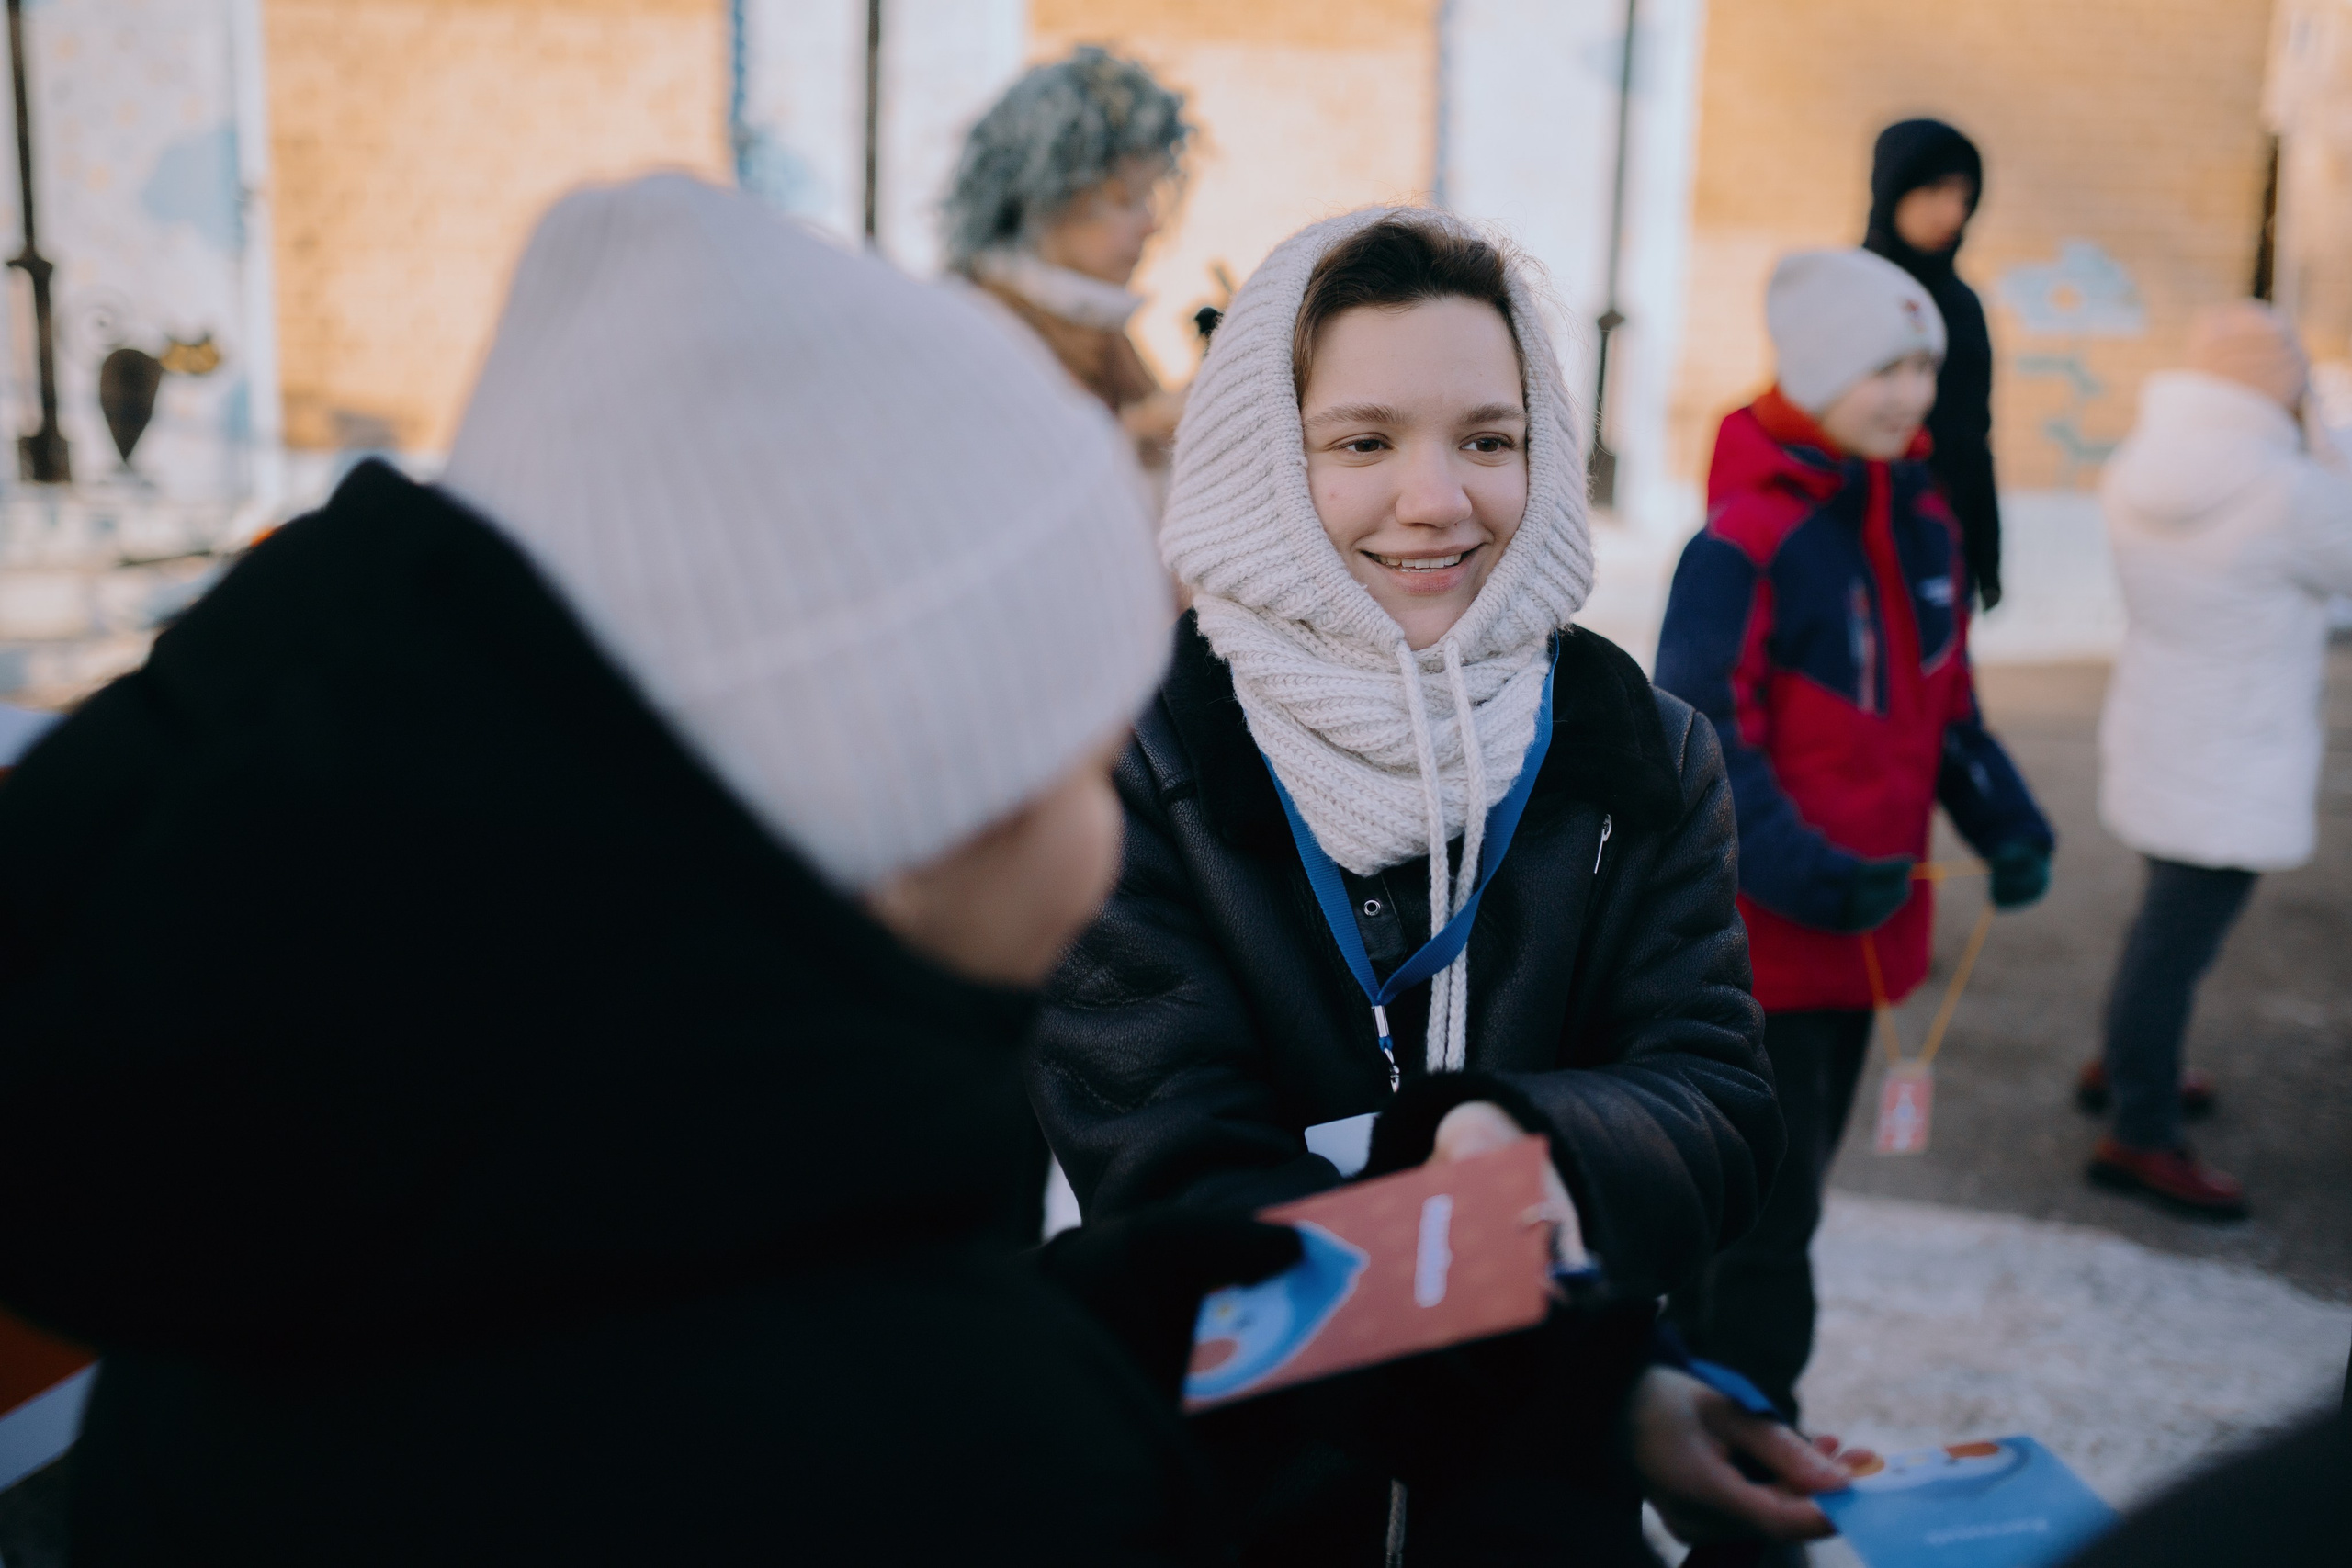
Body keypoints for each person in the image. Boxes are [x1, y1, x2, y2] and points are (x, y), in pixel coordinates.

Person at [0, 174, 1296, 1566]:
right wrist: (1050, 1409)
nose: (1114, 827)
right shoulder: (978, 1473)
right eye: (1086, 760)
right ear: (922, 826)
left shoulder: (295, 1202)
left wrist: (1062, 1333)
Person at [1028, 209, 1855, 1566]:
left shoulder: (1639, 744)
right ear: (1263, 463)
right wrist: (1576, 1368)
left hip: (1541, 1523)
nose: (1440, 499)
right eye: (1363, 441)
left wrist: (1529, 1142)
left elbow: (1714, 1095)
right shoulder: (1138, 756)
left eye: (1489, 437)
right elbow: (1172, 1177)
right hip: (1249, 1503)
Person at [1656, 249, 2053, 1435]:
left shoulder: (1926, 520)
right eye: (1884, 365)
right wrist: (1807, 873)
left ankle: (1698, 1401)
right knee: (1766, 1226)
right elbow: (1704, 735)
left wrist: (2006, 818)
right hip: (1761, 948)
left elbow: (1951, 709)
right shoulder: (1744, 541)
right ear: (1821, 367)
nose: (1910, 392)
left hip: (1866, 931)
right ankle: (1746, 1459)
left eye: (1925, 364)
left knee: (1785, 1201)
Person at [2079, 300, 2352, 1217]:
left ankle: (2127, 1059)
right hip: (2238, 747)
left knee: (2161, 919)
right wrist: (2321, 439)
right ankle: (2140, 1126)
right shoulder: (2290, 489)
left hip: (2164, 724)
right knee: (2177, 937)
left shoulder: (2141, 466)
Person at [944, 46, 1191, 478]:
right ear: (1041, 200)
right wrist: (1138, 437)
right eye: (1123, 200)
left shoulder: (1091, 324)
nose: (1150, 225)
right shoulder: (982, 330)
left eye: (1150, 197)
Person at [1865, 118, 2005, 609]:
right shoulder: (1850, 290)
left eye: (1965, 199)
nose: (1952, 213)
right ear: (1895, 189)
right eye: (1935, 191)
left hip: (1943, 542)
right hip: (1859, 536)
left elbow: (1974, 437)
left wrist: (1986, 558)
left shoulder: (1963, 306)